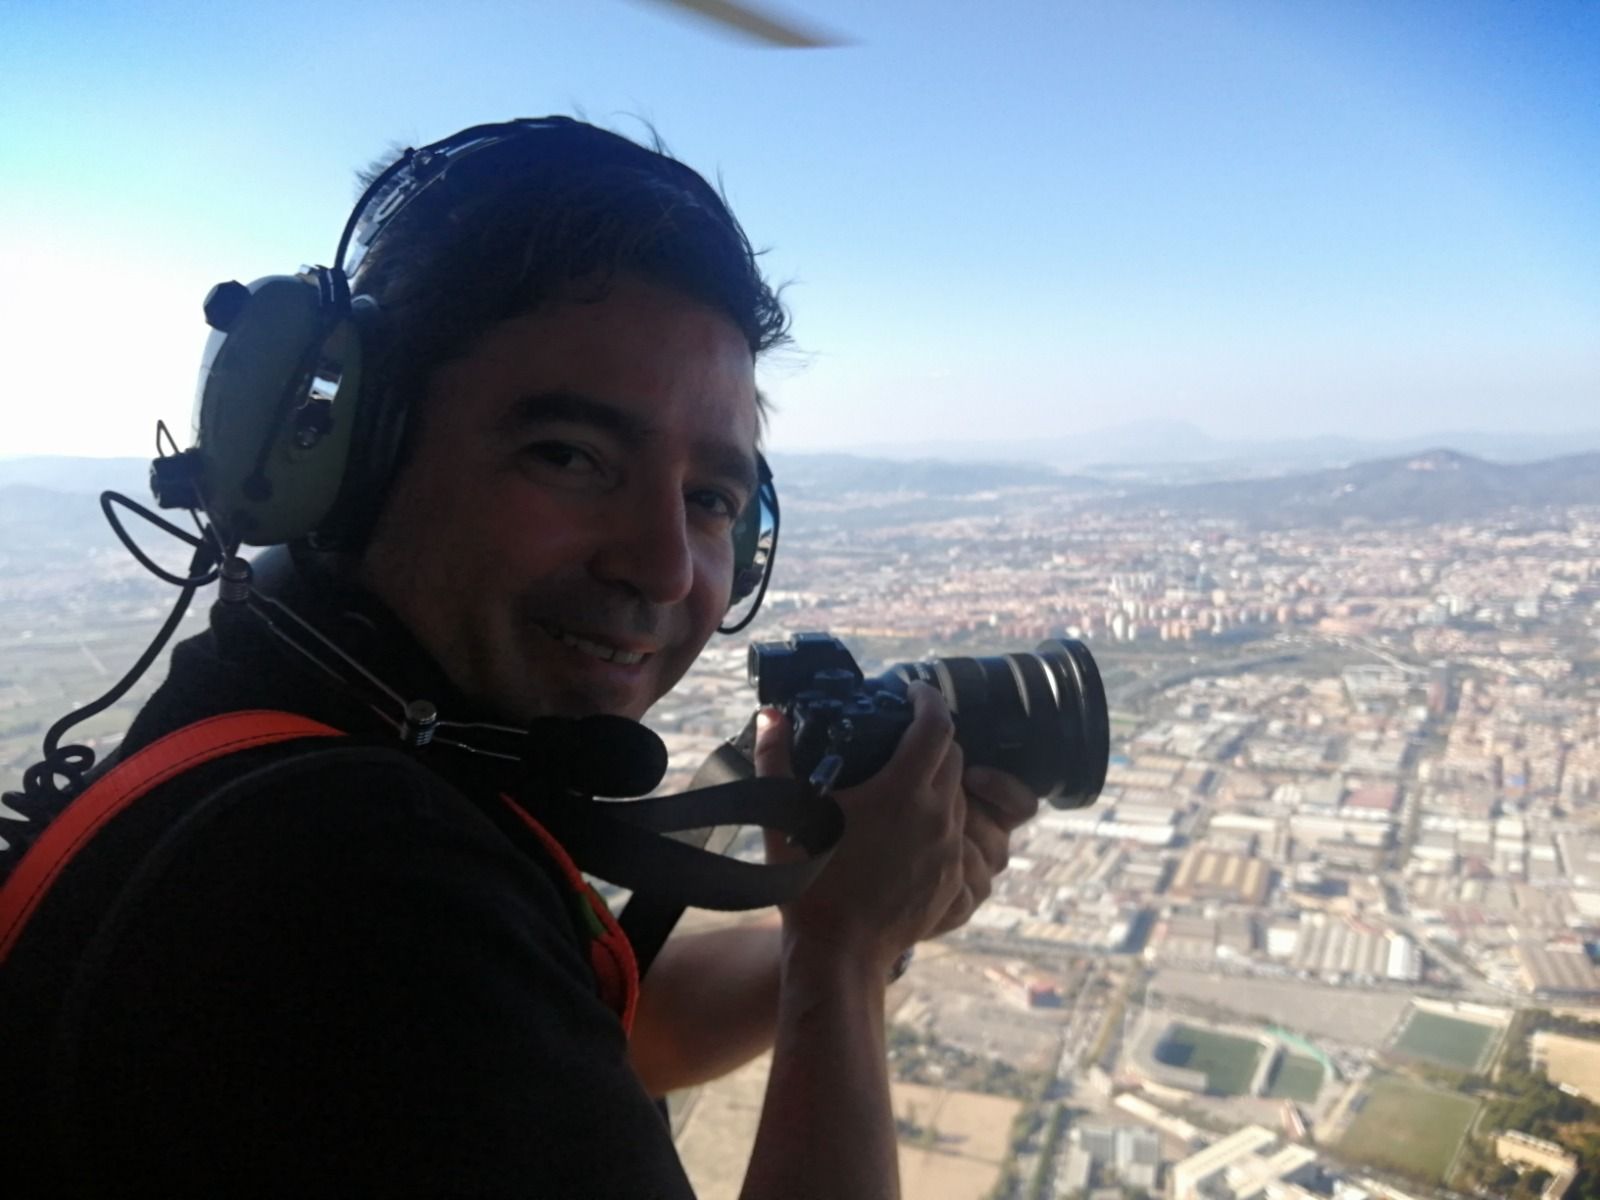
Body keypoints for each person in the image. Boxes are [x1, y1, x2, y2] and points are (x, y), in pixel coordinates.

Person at [2, 118, 1038, 1198]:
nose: (666, 566)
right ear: (357, 452)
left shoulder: (316, 727)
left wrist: (866, 918)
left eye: (711, 501)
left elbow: (598, 1039)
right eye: (570, 455)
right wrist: (845, 958)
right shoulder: (352, 891)